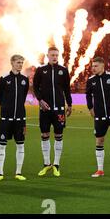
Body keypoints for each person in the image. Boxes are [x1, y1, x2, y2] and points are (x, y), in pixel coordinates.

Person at [33, 46, 72, 177]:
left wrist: (70, 104)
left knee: (58, 135)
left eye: (56, 55)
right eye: (52, 55)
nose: (54, 57)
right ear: (47, 56)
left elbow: (67, 89)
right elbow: (35, 87)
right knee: (44, 135)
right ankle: (46, 164)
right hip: (45, 109)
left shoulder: (63, 71)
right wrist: (40, 100)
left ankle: (56, 165)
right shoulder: (41, 70)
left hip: (59, 109)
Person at [0, 55, 29, 181]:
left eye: (22, 62)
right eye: (18, 62)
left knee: (20, 145)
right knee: (2, 145)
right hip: (5, 119)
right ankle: (0, 173)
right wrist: (6, 108)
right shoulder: (4, 78)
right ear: (12, 63)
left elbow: (23, 97)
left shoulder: (25, 80)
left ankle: (18, 173)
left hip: (20, 119)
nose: (20, 64)